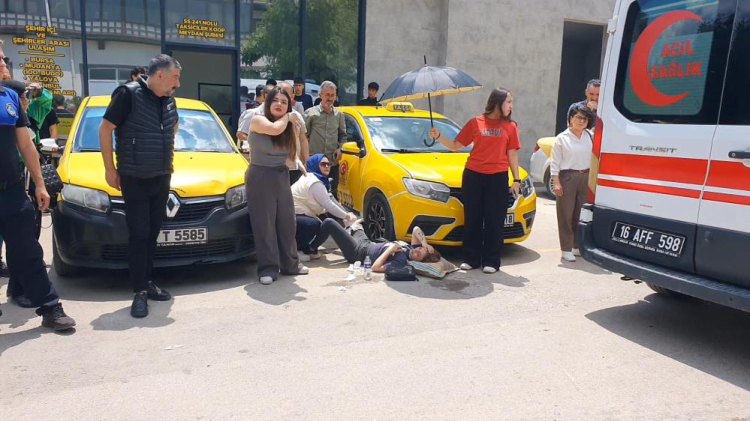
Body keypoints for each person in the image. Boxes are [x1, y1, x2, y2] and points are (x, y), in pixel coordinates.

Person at [0, 41, 76, 329]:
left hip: (11, 191)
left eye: (4, 58)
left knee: (28, 252)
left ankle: (50, 307)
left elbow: (26, 145)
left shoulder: (9, 97)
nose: (4, 64)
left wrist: (40, 185)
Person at [99, 54, 181, 318]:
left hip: (161, 175)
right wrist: (110, 168)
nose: (177, 83)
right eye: (175, 77)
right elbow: (105, 129)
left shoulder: (169, 99)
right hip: (134, 177)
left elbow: (173, 126)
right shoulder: (128, 94)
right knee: (139, 235)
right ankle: (139, 292)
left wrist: (164, 150)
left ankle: (147, 281)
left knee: (153, 233)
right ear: (160, 75)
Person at [430, 88, 522, 274]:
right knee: (473, 218)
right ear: (497, 102)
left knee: (494, 220)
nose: (511, 106)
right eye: (508, 102)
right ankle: (471, 259)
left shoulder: (511, 126)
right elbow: (455, 145)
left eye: (511, 102)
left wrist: (517, 179)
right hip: (473, 176)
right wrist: (438, 136)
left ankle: (491, 261)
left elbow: (512, 153)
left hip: (497, 178)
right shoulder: (475, 122)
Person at [246, 87, 309, 285]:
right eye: (276, 100)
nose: (280, 104)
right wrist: (289, 116)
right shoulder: (257, 120)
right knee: (264, 224)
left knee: (287, 222)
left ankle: (291, 265)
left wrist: (297, 160)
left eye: (284, 102)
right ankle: (268, 268)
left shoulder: (288, 125)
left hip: (281, 175)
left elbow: (291, 150)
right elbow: (274, 129)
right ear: (268, 102)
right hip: (260, 174)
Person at [293, 154, 357, 261]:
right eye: (323, 164)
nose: (327, 166)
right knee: (313, 224)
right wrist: (346, 216)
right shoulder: (315, 182)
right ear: (315, 165)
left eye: (328, 164)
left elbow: (328, 203)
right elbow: (328, 204)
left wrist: (344, 215)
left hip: (296, 215)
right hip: (292, 216)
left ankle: (309, 248)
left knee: (322, 222)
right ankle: (296, 250)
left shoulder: (312, 177)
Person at [551, 104, 594, 262]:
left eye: (585, 118)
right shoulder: (562, 138)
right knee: (566, 214)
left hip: (585, 176)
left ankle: (576, 246)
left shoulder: (590, 136)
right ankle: (566, 248)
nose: (582, 121)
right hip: (568, 177)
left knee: (580, 214)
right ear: (570, 119)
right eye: (578, 117)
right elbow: (555, 163)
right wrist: (556, 182)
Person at [315, 219, 441, 273]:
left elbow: (375, 267)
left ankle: (310, 248)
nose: (416, 251)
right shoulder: (411, 249)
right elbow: (416, 229)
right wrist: (424, 244)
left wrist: (389, 250)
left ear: (419, 262)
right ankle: (350, 229)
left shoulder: (401, 261)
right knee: (358, 221)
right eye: (419, 249)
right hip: (367, 243)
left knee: (329, 223)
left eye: (418, 254)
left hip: (357, 252)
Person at [304, 80, 347, 199]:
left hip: (332, 163)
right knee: (312, 196)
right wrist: (304, 159)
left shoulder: (339, 115)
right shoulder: (311, 114)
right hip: (314, 164)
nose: (330, 98)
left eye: (333, 95)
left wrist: (340, 148)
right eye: (327, 95)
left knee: (332, 195)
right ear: (320, 95)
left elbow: (343, 135)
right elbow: (303, 137)